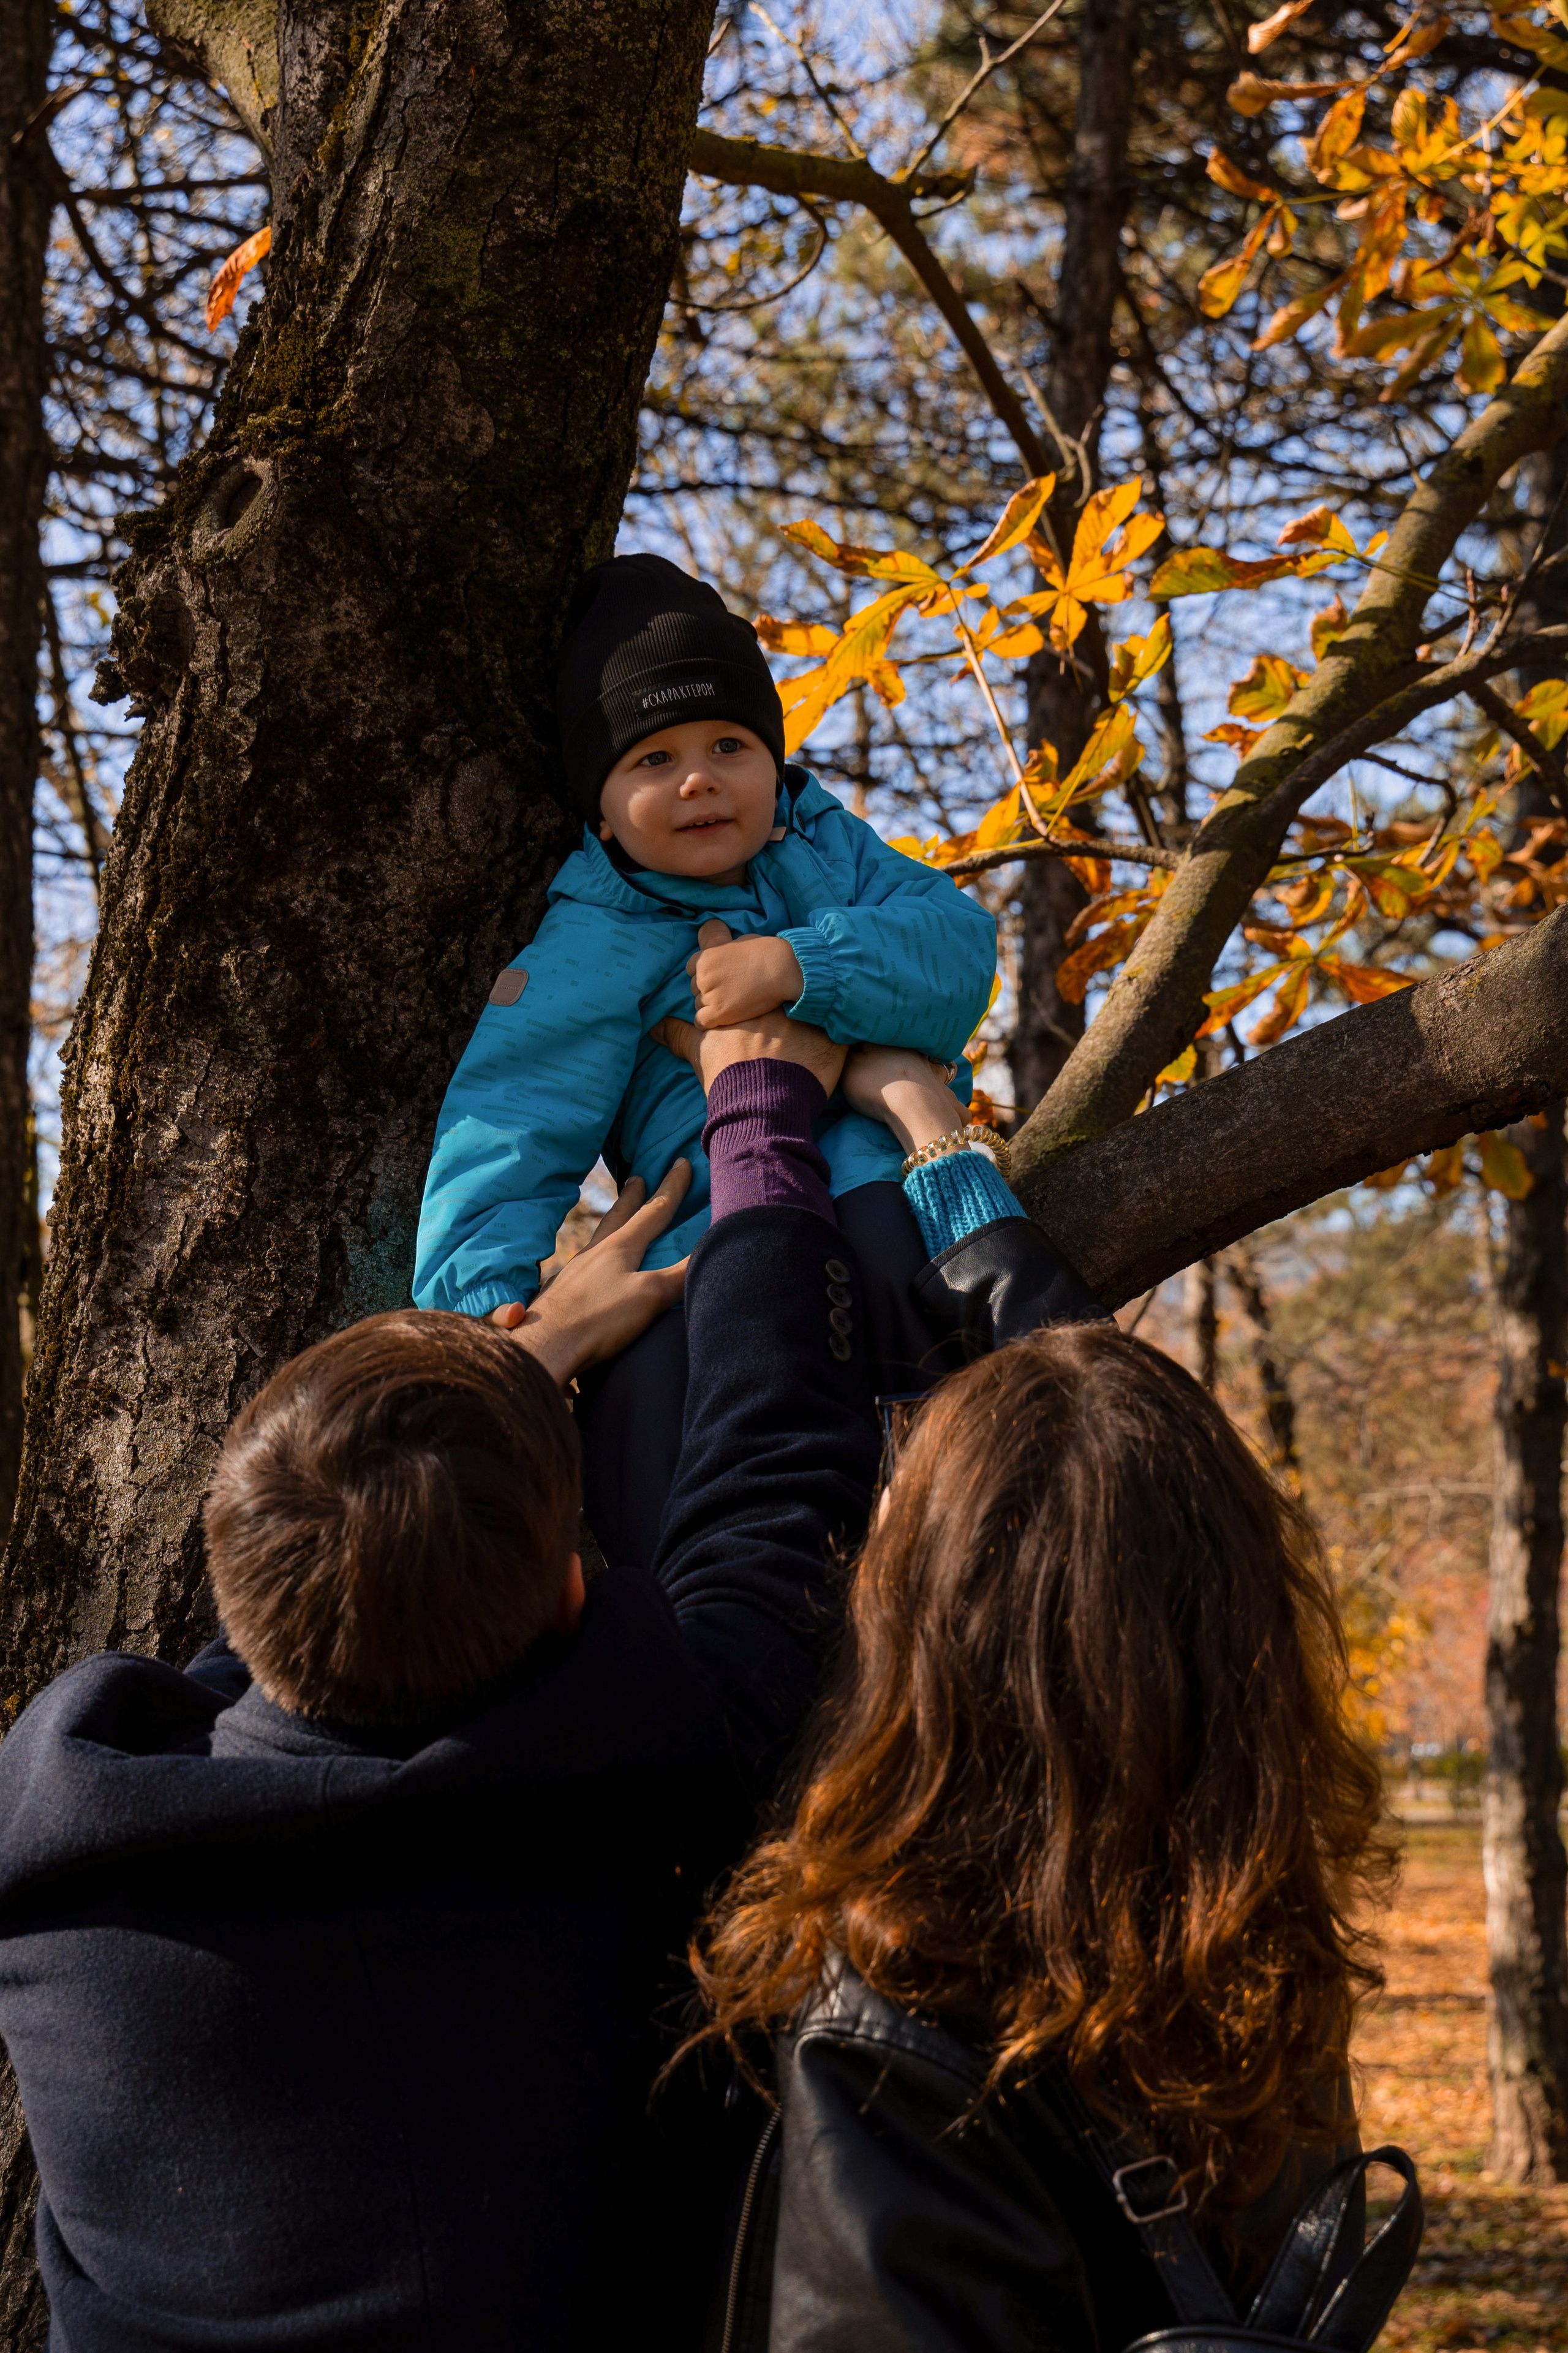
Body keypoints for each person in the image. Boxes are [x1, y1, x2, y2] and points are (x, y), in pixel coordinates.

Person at [0, 1013, 1098, 2353]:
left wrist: (502, 1380)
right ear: (576, 1592)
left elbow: (295, 1615)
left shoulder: (65, 1864)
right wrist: (756, 1115)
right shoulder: (648, 1791)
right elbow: (770, 1485)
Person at [689, 1128, 1401, 2353]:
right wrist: (946, 1160)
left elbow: (1068, 1510)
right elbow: (1116, 1509)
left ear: (926, 1624)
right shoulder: (1253, 1948)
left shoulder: (884, 2042)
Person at [413, 552, 1000, 1566]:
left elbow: (958, 951)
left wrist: (800, 964)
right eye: (652, 758)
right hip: (708, 1245)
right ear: (600, 810)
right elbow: (511, 1119)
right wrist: (480, 1310)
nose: (698, 777)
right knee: (660, 1450)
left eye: (731, 744)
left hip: (884, 1197)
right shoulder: (594, 937)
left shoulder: (830, 847)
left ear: (774, 765)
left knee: (944, 1434)